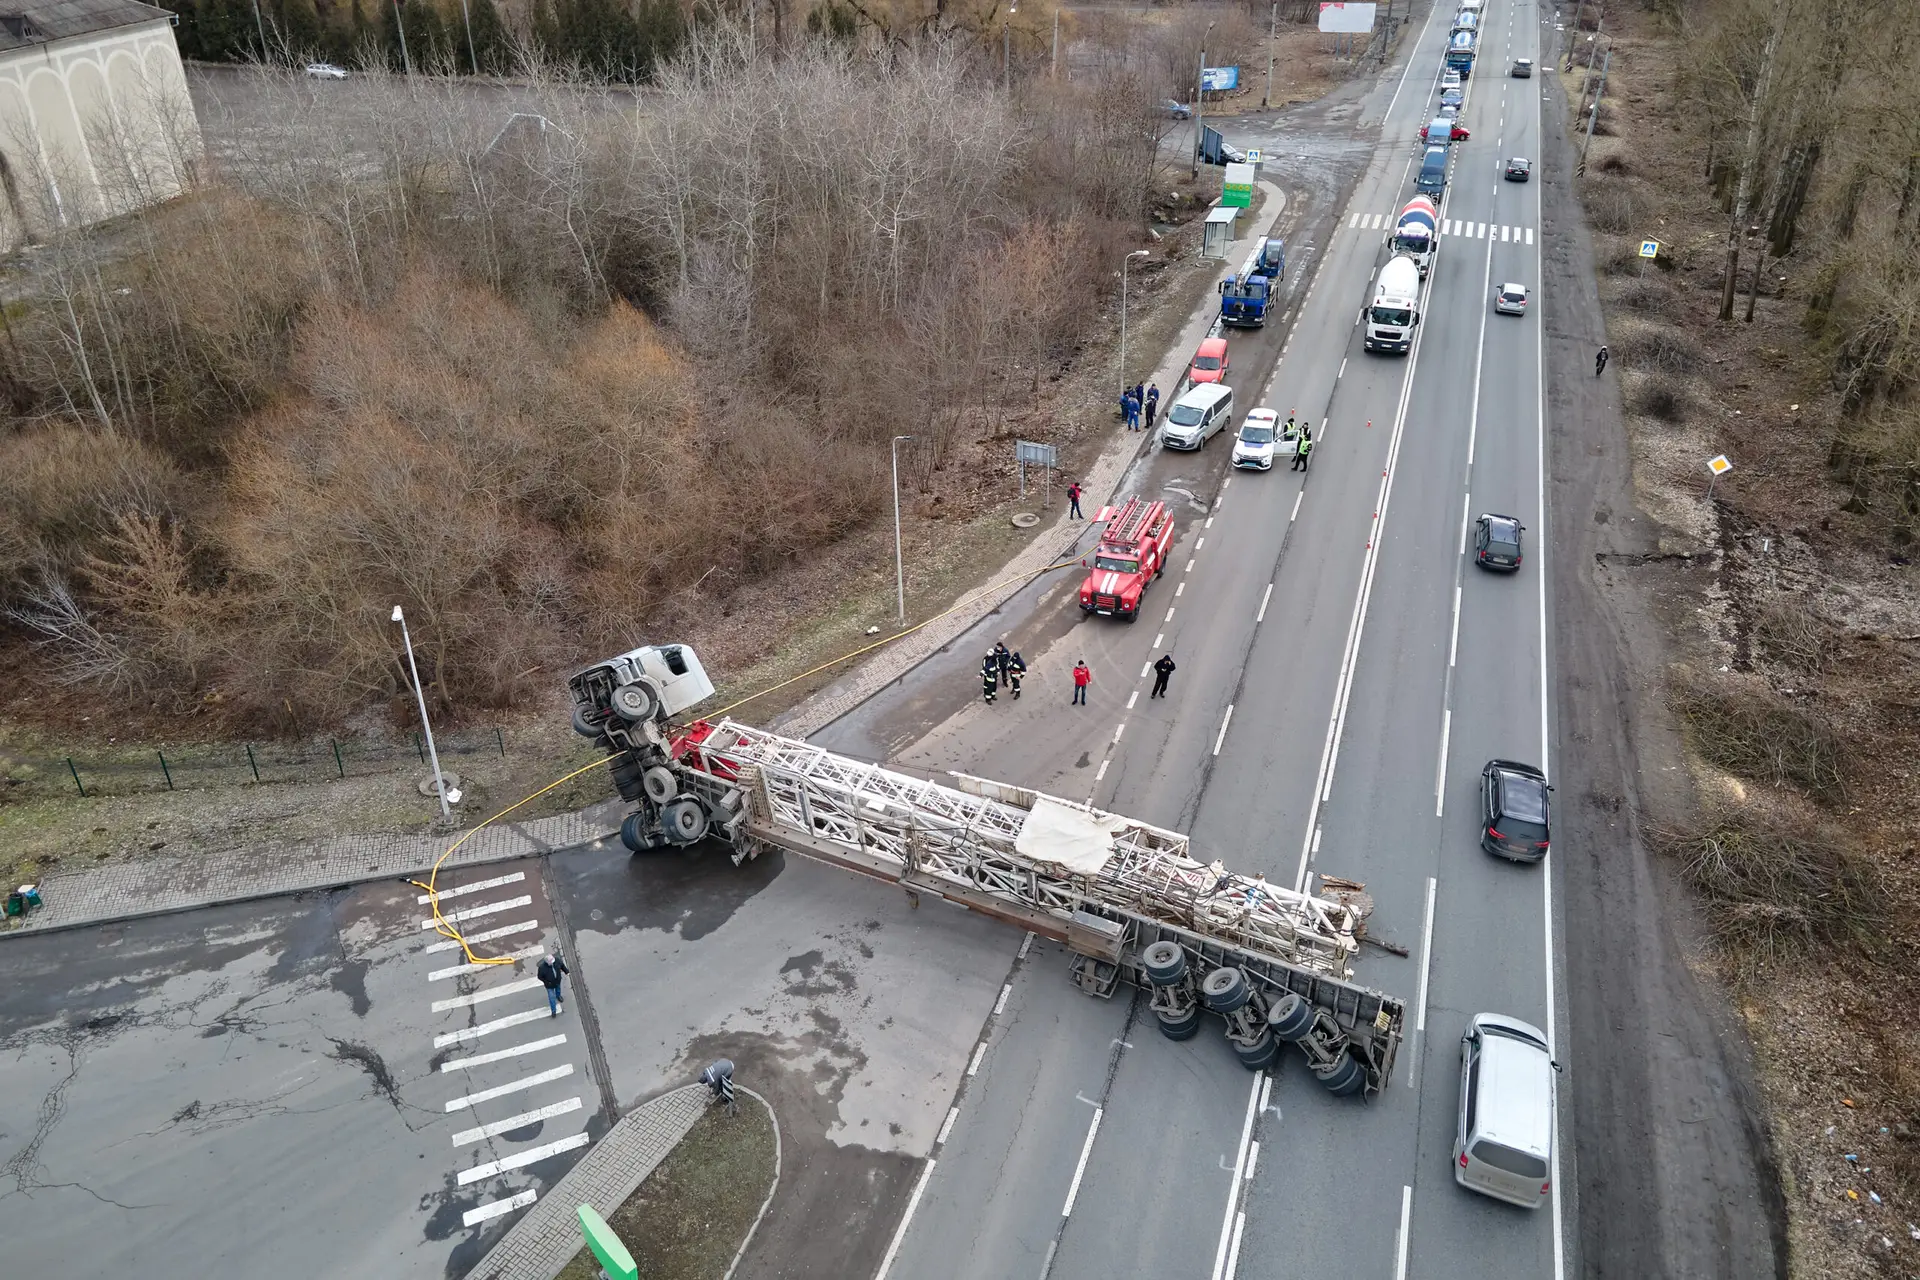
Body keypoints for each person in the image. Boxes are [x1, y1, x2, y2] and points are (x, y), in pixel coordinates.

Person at [537, 951, 570, 1017]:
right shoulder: (542, 968)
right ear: (546, 962)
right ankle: (553, 1011)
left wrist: (566, 971)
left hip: (557, 980)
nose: (552, 963)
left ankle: (558, 996)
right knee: (551, 998)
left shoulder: (557, 960)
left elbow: (562, 966)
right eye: (550, 962)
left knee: (558, 989)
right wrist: (546, 982)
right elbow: (540, 977)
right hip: (549, 985)